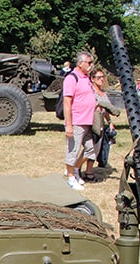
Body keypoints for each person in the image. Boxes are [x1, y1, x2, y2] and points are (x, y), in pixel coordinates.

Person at [62, 51, 96, 191]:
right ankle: (70, 177)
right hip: (77, 121)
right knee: (73, 150)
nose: (91, 66)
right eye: (89, 63)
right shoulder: (72, 78)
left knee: (90, 149)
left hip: (88, 121)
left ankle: (76, 169)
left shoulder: (86, 78)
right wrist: (69, 125)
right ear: (80, 63)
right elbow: (67, 102)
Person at [83, 68, 120, 181]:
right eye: (99, 77)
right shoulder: (91, 92)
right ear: (92, 79)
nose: (102, 79)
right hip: (91, 123)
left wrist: (110, 122)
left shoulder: (103, 93)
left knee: (96, 150)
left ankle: (89, 171)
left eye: (103, 77)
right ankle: (74, 168)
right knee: (89, 149)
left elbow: (106, 110)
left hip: (101, 124)